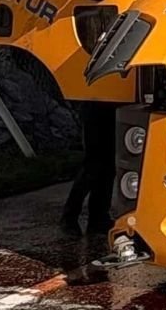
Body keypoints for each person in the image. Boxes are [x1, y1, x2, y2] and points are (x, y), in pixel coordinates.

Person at [61, 101, 117, 236]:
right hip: (97, 105)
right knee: (93, 166)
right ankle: (70, 217)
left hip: (114, 107)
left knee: (108, 166)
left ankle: (98, 218)